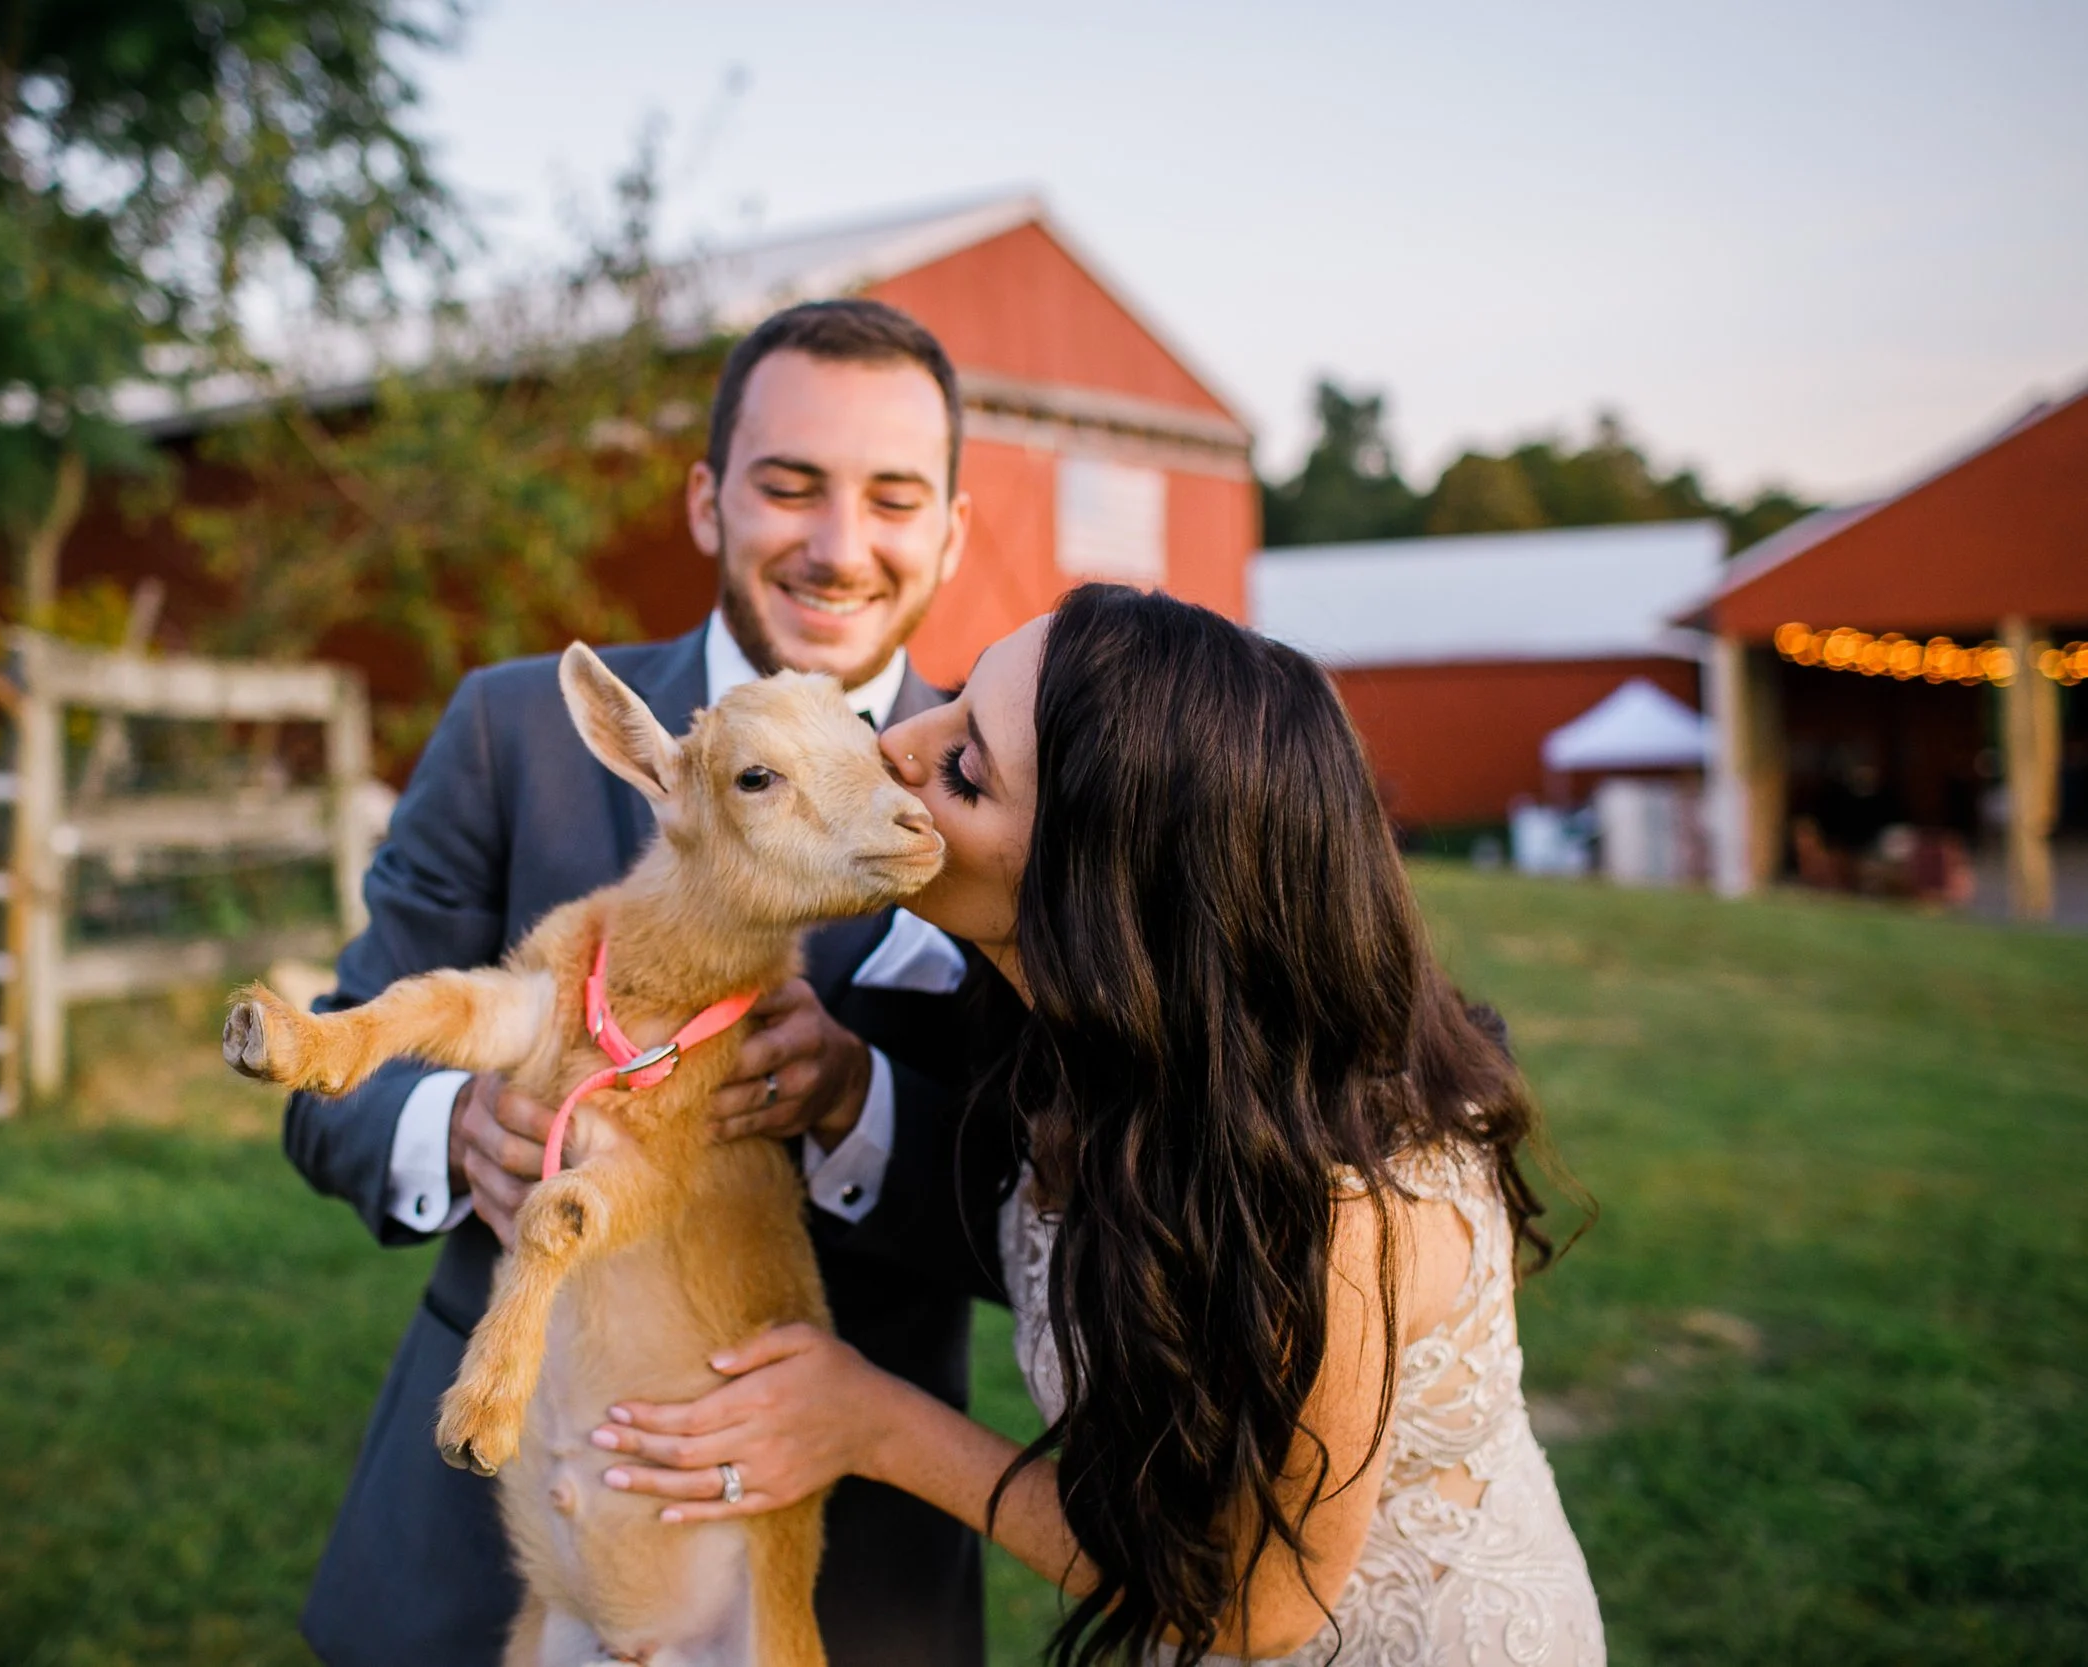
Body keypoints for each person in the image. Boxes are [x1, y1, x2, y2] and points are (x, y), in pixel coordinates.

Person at [591, 585, 1607, 1665]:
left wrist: (873, 1422)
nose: (895, 745)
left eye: (967, 768)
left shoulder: (1343, 1205)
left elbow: (1252, 1606)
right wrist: (844, 1088)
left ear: (1102, 896)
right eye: (954, 698)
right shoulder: (1081, 1040)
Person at [282, 299, 1013, 1666]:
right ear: (705, 499)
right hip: (495, 1545)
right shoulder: (519, 733)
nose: (838, 544)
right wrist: (460, 1127)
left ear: (952, 530)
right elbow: (329, 1085)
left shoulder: (1002, 788)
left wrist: (859, 1098)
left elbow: (1060, 1206)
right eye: (789, 485)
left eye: (893, 498)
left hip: (836, 1562)